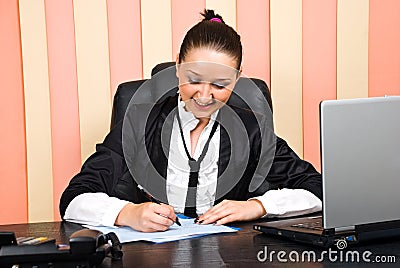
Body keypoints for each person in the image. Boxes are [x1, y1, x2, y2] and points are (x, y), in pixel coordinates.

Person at [60, 10, 322, 233]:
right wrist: (127, 213)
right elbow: (73, 199)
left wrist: (257, 206)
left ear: (237, 78)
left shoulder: (253, 130)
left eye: (220, 84)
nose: (204, 96)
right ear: (177, 67)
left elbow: (317, 189)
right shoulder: (140, 121)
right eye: (194, 79)